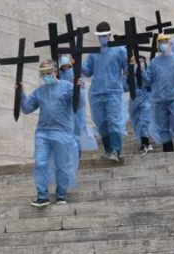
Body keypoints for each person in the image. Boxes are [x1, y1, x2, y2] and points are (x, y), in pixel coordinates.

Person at [19, 60, 80, 207]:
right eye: (43, 73)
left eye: (48, 72)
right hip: (43, 133)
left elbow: (78, 104)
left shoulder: (66, 87)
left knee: (62, 165)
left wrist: (79, 90)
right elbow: (27, 108)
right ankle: (42, 196)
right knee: (40, 163)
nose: (46, 75)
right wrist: (20, 94)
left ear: (55, 71)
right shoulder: (39, 91)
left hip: (62, 132)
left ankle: (61, 195)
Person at [82, 22, 128, 162]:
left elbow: (127, 68)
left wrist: (131, 64)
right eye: (99, 36)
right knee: (101, 121)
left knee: (113, 120)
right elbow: (87, 70)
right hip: (96, 92)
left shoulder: (120, 50)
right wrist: (75, 64)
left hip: (113, 91)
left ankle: (116, 150)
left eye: (104, 36)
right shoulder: (94, 53)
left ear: (109, 35)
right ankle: (108, 150)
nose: (101, 38)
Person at [142, 35, 174, 152]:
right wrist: (140, 69)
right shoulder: (154, 62)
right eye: (160, 42)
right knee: (162, 127)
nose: (163, 44)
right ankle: (168, 150)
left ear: (170, 44)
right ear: (158, 45)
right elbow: (148, 81)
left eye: (165, 42)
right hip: (159, 99)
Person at [57, 55, 98, 152]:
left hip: (77, 102)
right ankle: (75, 148)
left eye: (66, 64)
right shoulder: (59, 74)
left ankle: (80, 145)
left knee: (80, 126)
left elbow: (81, 84)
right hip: (66, 105)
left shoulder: (74, 71)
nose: (65, 67)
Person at [128, 55, 154, 154]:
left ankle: (145, 142)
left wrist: (142, 72)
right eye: (137, 62)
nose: (139, 64)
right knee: (136, 122)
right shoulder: (130, 74)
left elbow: (149, 82)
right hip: (134, 99)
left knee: (144, 120)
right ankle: (142, 142)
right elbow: (125, 86)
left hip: (146, 98)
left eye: (141, 62)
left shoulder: (147, 72)